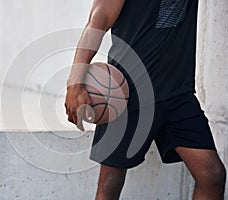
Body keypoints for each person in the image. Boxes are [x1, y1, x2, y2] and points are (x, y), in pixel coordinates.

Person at [64, 0, 226, 199]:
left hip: (177, 93)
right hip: (127, 94)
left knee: (212, 175)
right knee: (110, 185)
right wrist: (75, 81)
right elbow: (99, 18)